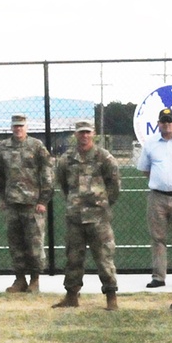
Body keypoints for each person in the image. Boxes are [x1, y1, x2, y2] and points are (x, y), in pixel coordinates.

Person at [53, 119, 121, 310]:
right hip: (75, 217)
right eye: (80, 132)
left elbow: (114, 185)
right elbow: (64, 185)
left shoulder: (104, 158)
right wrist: (75, 203)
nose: (84, 136)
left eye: (87, 132)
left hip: (98, 218)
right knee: (73, 258)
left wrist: (103, 204)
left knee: (104, 257)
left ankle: (111, 297)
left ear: (93, 134)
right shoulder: (66, 159)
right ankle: (71, 296)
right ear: (75, 134)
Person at [0, 114, 54, 293]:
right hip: (12, 203)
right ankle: (20, 279)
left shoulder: (36, 146)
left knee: (34, 243)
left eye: (21, 126)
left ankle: (35, 279)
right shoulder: (4, 147)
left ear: (26, 127)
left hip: (33, 204)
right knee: (15, 244)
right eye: (15, 126)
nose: (18, 129)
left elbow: (48, 173)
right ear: (11, 127)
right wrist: (2, 198)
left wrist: (43, 200)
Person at [136, 108, 172, 288]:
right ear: (158, 123)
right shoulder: (150, 144)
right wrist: (160, 182)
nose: (166, 124)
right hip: (157, 198)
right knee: (158, 238)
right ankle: (159, 277)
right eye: (163, 121)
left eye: (170, 121)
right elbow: (146, 169)